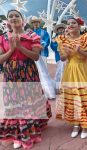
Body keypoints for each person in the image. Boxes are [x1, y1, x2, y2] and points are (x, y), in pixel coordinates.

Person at [0, 9, 51, 149]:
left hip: (28, 72)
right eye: (11, 16)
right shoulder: (3, 37)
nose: (14, 17)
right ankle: (17, 134)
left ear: (23, 20)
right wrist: (11, 50)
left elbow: (35, 57)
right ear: (8, 21)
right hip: (11, 74)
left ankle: (30, 131)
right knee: (14, 102)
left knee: (29, 101)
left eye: (17, 15)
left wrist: (19, 47)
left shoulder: (32, 35)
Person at [55, 17, 87, 139]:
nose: (70, 25)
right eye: (69, 23)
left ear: (79, 26)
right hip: (70, 70)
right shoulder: (63, 40)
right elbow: (62, 58)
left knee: (84, 96)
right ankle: (76, 124)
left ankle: (86, 125)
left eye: (73, 23)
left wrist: (79, 51)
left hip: (83, 70)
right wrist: (66, 53)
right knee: (73, 97)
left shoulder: (85, 38)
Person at [29, 16, 56, 99]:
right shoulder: (29, 33)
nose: (35, 24)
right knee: (36, 72)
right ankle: (40, 93)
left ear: (39, 23)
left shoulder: (44, 32)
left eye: (36, 22)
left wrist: (39, 45)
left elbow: (47, 42)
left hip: (42, 54)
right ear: (32, 24)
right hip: (33, 55)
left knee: (44, 72)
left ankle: (49, 93)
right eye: (33, 22)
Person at [50, 23, 66, 94]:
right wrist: (60, 45)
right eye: (60, 29)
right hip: (59, 57)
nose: (61, 30)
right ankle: (56, 88)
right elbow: (53, 47)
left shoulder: (67, 37)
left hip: (67, 56)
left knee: (65, 72)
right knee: (59, 72)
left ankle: (63, 87)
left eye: (62, 29)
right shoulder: (55, 38)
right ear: (57, 30)